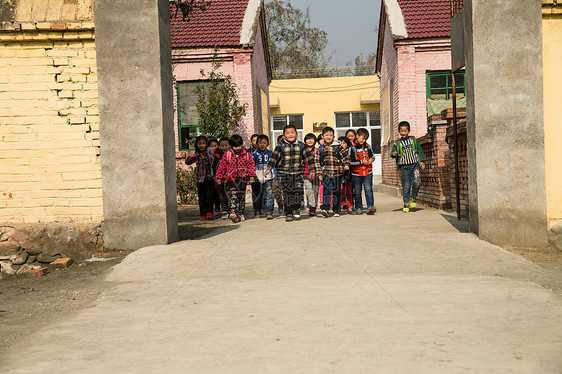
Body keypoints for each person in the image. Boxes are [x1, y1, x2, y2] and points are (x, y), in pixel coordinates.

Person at [266, 125, 316, 222]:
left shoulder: (301, 145)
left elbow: (309, 158)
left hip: (298, 173)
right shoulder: (281, 146)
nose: (290, 135)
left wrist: (312, 170)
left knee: (298, 192)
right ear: (284, 136)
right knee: (287, 193)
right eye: (288, 133)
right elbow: (274, 158)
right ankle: (288, 213)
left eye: (292, 132)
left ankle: (296, 208)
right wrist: (269, 168)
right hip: (284, 174)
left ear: (296, 134)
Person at [216, 135, 256, 222]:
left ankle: (241, 213)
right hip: (232, 179)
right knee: (234, 196)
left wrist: (252, 175)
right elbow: (222, 166)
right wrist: (219, 177)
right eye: (235, 146)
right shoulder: (228, 154)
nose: (238, 148)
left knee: (241, 197)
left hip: (243, 179)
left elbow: (251, 164)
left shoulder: (246, 154)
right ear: (231, 146)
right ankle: (233, 213)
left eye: (239, 146)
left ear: (242, 144)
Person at [391, 121, 426, 213]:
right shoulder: (397, 143)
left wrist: (422, 161)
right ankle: (406, 203)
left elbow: (420, 150)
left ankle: (413, 197)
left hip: (415, 165)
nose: (403, 133)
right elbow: (392, 153)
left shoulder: (413, 140)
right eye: (401, 131)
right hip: (404, 167)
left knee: (417, 182)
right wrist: (393, 154)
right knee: (406, 186)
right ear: (399, 131)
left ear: (408, 131)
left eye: (405, 131)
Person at [315, 127, 350, 217]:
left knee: (337, 191)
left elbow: (346, 157)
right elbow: (317, 162)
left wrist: (346, 164)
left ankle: (336, 210)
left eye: (330, 135)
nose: (328, 137)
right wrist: (319, 173)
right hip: (326, 173)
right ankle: (326, 209)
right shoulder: (321, 149)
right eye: (326, 135)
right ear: (322, 136)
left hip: (337, 172)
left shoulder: (338, 147)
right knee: (326, 191)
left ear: (333, 136)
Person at [185, 136, 215, 221]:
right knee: (202, 197)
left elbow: (213, 160)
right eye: (199, 144)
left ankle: (209, 213)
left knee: (209, 196)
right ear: (196, 145)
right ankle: (202, 214)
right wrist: (191, 157)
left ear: (206, 144)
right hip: (200, 178)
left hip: (209, 177)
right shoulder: (196, 154)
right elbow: (187, 162)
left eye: (203, 143)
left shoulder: (209, 152)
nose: (201, 145)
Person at [350, 128, 376, 215]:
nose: (364, 140)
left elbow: (373, 156)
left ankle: (370, 207)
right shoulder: (352, 148)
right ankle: (358, 207)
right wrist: (361, 162)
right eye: (362, 138)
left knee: (368, 190)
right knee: (357, 191)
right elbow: (350, 162)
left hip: (368, 172)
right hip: (356, 173)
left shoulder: (367, 146)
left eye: (365, 139)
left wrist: (371, 160)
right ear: (357, 136)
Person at [252, 135, 275, 220]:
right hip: (256, 178)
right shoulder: (254, 154)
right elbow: (250, 166)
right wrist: (251, 176)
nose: (262, 145)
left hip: (268, 177)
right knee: (256, 195)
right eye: (260, 143)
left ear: (268, 144)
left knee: (269, 194)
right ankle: (257, 210)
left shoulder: (271, 154)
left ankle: (269, 211)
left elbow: (274, 166)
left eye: (264, 143)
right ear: (257, 144)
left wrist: (275, 177)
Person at [212, 137, 231, 219]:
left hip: (230, 179)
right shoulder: (217, 156)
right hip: (220, 180)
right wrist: (215, 177)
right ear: (219, 146)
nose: (224, 147)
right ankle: (224, 211)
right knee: (222, 196)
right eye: (222, 145)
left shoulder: (232, 155)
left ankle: (231, 210)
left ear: (229, 146)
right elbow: (213, 167)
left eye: (226, 145)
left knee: (230, 195)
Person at [303, 133, 319, 216]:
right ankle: (310, 207)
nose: (310, 140)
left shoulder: (317, 150)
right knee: (309, 190)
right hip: (306, 173)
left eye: (312, 139)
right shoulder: (303, 151)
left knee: (315, 191)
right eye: (308, 139)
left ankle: (314, 207)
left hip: (316, 174)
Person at [338, 136, 354, 214]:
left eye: (344, 143)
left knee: (348, 191)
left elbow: (353, 160)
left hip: (348, 174)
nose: (342, 144)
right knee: (339, 191)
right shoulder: (336, 151)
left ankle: (349, 206)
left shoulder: (351, 151)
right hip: (338, 174)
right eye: (340, 143)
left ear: (347, 144)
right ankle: (338, 207)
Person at [272, 134, 285, 214]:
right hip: (276, 175)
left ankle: (288, 207)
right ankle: (280, 204)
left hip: (287, 175)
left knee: (287, 192)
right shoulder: (275, 153)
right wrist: (275, 179)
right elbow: (273, 166)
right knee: (277, 193)